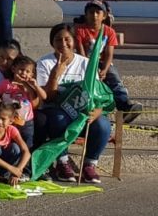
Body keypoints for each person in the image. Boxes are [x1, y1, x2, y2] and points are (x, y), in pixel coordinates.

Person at [37, 23, 112, 184]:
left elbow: (97, 94)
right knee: (58, 118)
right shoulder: (44, 63)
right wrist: (54, 76)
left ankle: (89, 165)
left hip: (83, 112)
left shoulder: (86, 63)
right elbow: (47, 98)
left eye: (67, 39)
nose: (63, 44)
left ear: (74, 41)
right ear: (52, 42)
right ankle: (63, 161)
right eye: (58, 40)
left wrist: (98, 110)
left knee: (103, 125)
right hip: (57, 110)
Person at [75, 1, 143, 122]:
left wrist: (105, 70)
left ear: (104, 16)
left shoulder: (109, 32)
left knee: (114, 78)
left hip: (103, 62)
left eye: (98, 12)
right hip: (85, 63)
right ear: (86, 15)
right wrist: (91, 70)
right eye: (91, 12)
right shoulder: (80, 30)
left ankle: (125, 107)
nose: (94, 15)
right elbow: (81, 53)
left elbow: (109, 54)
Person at [0, 55, 46, 147]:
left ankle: (26, 159)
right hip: (9, 120)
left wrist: (33, 85)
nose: (24, 73)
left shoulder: (30, 86)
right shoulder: (6, 83)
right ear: (13, 69)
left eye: (27, 71)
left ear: (32, 74)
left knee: (27, 141)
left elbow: (44, 96)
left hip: (26, 121)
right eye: (21, 70)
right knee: (9, 141)